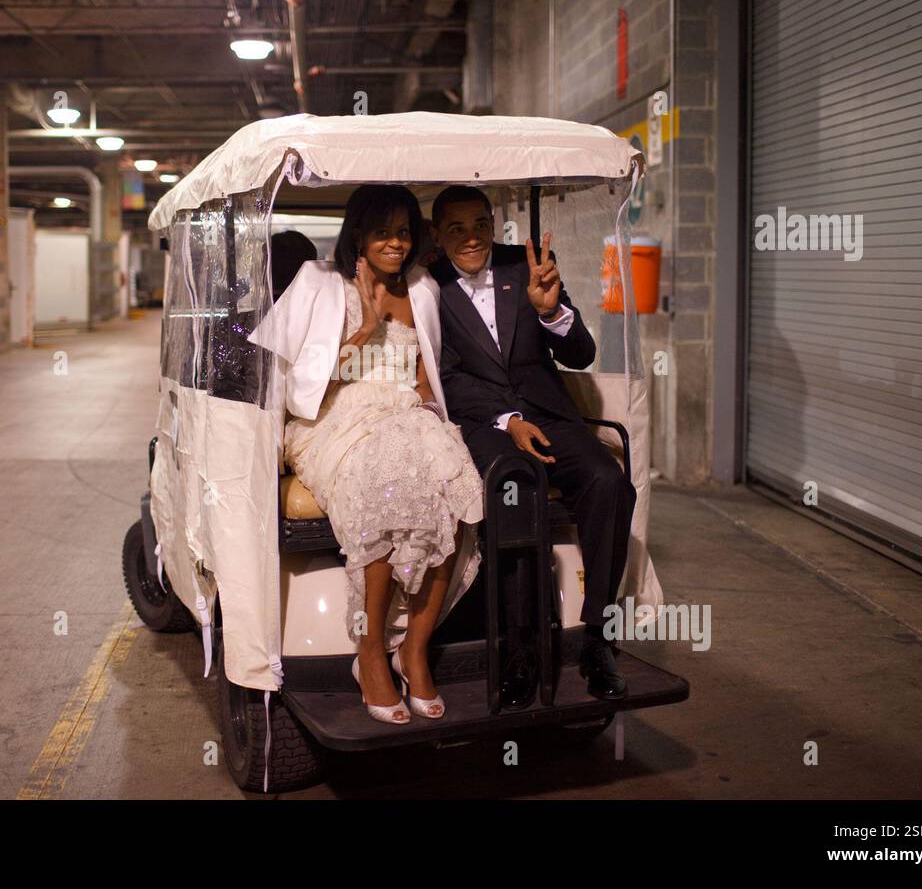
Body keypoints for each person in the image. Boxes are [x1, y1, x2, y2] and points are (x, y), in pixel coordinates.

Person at [250, 185, 484, 724]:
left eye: (404, 232)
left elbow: (426, 374)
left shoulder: (422, 287)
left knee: (459, 487)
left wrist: (429, 412)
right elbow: (287, 385)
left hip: (405, 411)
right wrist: (365, 331)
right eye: (383, 232)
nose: (396, 243)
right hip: (332, 417)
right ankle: (371, 653)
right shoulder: (318, 281)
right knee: (387, 485)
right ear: (358, 234)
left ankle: (415, 649)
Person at [428, 185, 635, 701]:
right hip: (485, 423)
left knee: (608, 479)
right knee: (515, 489)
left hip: (551, 413)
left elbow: (582, 353)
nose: (470, 237)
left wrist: (550, 312)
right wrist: (507, 418)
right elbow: (445, 377)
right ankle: (518, 647)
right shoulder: (426, 284)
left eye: (478, 224)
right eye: (455, 228)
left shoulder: (526, 266)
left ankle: (597, 636)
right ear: (438, 235)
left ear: (493, 223)